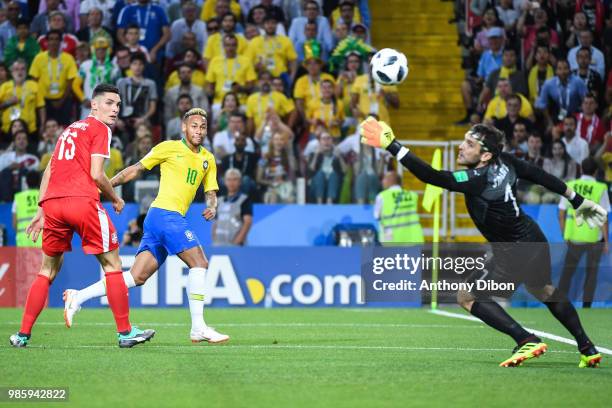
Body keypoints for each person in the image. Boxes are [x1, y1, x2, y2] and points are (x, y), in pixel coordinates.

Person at [360, 117, 606, 368]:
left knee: (466, 296)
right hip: (533, 237)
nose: (461, 147)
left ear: (485, 155)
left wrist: (393, 145)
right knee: (543, 290)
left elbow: (432, 176)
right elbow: (540, 175)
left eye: (469, 143)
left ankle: (525, 339)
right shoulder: (507, 162)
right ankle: (587, 347)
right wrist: (576, 200)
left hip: (513, 250)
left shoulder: (476, 179)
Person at [63, 108, 229, 344]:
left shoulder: (208, 159)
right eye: (194, 126)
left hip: (160, 219)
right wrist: (106, 188)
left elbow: (211, 191)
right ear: (184, 127)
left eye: (202, 127)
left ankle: (78, 296)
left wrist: (213, 206)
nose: (199, 131)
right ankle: (198, 327)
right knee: (199, 262)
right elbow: (136, 169)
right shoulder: (168, 147)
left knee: (136, 276)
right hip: (165, 214)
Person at [9, 83, 155, 348]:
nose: (115, 109)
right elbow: (98, 174)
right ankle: (125, 333)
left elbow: (48, 172)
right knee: (112, 265)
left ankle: (21, 334)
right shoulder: (100, 129)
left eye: (118, 105)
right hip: (81, 202)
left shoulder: (69, 130)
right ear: (94, 104)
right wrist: (116, 198)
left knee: (46, 271)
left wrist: (42, 207)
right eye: (109, 103)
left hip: (53, 204)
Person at [558, 158, 609, 308]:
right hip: (593, 238)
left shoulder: (571, 185)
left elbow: (561, 214)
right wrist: (606, 241)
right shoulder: (600, 188)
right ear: (595, 172)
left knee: (567, 273)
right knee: (591, 274)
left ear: (581, 169)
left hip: (573, 237)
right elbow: (604, 217)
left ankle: (558, 304)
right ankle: (587, 307)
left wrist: (564, 235)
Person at [373, 171, 424, 244]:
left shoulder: (382, 196)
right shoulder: (413, 195)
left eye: (384, 179)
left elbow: (376, 216)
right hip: (413, 238)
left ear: (390, 181)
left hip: (393, 239)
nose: (382, 182)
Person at [212, 168, 253, 246]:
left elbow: (247, 222)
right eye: (229, 179)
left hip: (235, 246)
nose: (231, 182)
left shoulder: (244, 200)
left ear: (240, 182)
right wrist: (214, 240)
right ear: (225, 182)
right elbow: (215, 223)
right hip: (218, 245)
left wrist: (237, 242)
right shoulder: (219, 201)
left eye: (235, 179)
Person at [12, 170, 42, 247]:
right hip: (40, 239)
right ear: (40, 182)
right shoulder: (44, 196)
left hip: (23, 241)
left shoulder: (18, 198)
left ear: (26, 182)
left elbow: (14, 224)